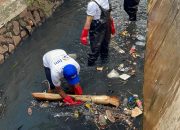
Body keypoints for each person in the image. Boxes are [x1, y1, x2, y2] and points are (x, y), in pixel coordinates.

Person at [80, 0, 116, 66]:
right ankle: (98, 64)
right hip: (102, 25)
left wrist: (83, 36)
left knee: (98, 48)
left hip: (99, 27)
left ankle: (98, 64)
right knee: (102, 46)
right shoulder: (103, 1)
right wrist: (112, 26)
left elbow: (88, 22)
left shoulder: (92, 4)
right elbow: (109, 15)